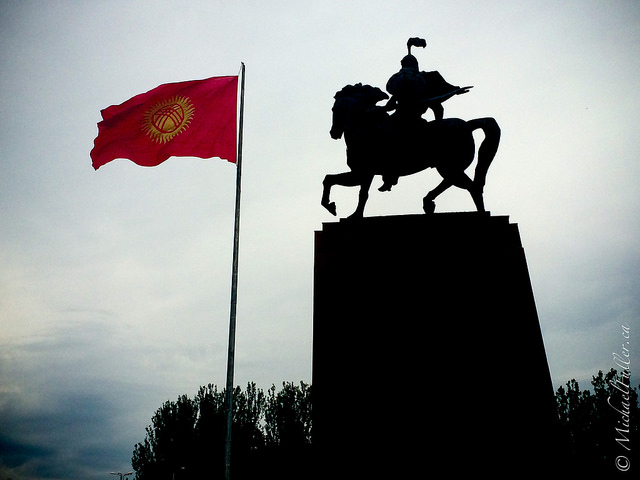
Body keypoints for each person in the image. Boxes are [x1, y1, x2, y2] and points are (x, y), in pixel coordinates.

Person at [379, 38, 471, 191]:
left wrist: (452, 93)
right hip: (406, 119)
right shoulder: (408, 85)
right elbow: (389, 105)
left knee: (387, 141)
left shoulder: (419, 84)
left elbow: (435, 104)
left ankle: (390, 177)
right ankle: (389, 177)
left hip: (408, 121)